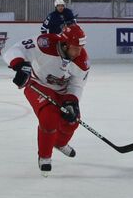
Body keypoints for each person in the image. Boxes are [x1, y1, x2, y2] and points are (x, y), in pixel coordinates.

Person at [6, 23, 89, 176]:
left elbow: (77, 84)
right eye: (75, 48)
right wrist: (20, 66)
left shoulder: (82, 59)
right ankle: (45, 156)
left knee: (73, 120)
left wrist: (72, 101)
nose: (79, 52)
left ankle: (60, 143)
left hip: (63, 91)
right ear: (64, 45)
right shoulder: (44, 43)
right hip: (38, 85)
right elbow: (14, 50)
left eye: (80, 48)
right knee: (49, 117)